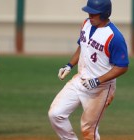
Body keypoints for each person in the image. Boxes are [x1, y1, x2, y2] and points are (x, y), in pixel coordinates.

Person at [48, 0, 129, 139]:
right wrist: (69, 65)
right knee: (55, 114)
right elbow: (82, 46)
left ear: (104, 14)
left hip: (101, 88)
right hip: (79, 80)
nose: (89, 15)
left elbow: (122, 67)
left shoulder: (114, 37)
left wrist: (97, 81)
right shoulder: (86, 24)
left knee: (88, 129)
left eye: (93, 13)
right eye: (89, 12)